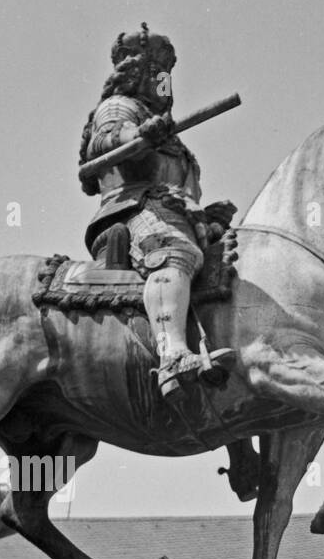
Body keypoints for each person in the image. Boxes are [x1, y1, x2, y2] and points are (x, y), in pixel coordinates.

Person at [78, 25, 231, 398]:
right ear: (138, 74)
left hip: (172, 212)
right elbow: (104, 141)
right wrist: (139, 136)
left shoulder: (169, 135)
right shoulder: (120, 107)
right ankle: (173, 356)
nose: (166, 84)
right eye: (159, 75)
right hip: (130, 211)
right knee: (174, 254)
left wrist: (208, 216)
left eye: (168, 76)